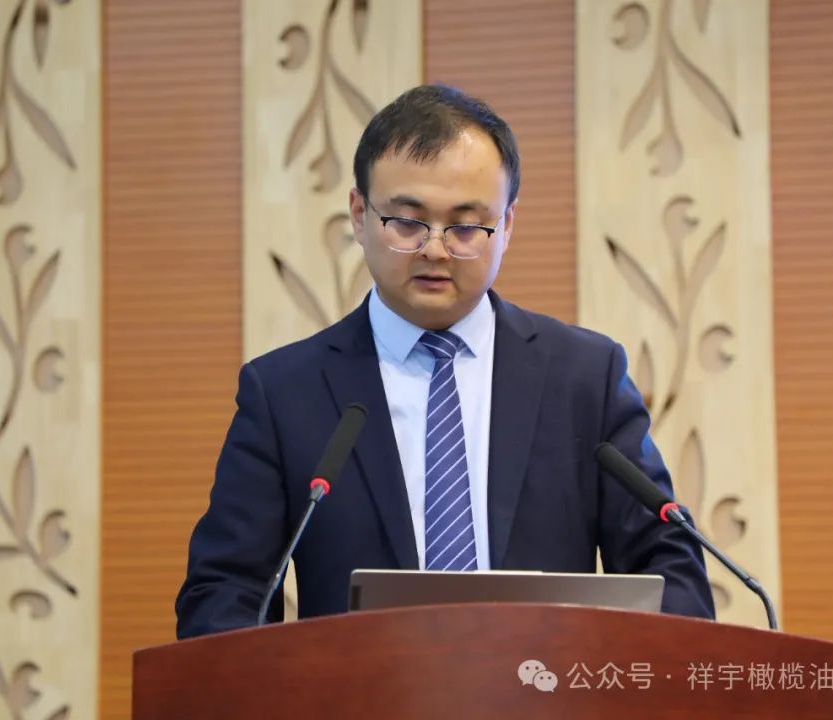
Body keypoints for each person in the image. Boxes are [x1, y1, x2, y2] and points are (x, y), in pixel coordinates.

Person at [176, 85, 714, 639]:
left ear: (507, 225)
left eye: (465, 226)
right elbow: (225, 592)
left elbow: (668, 568)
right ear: (359, 215)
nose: (435, 249)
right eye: (408, 222)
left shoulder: (584, 378)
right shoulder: (286, 393)